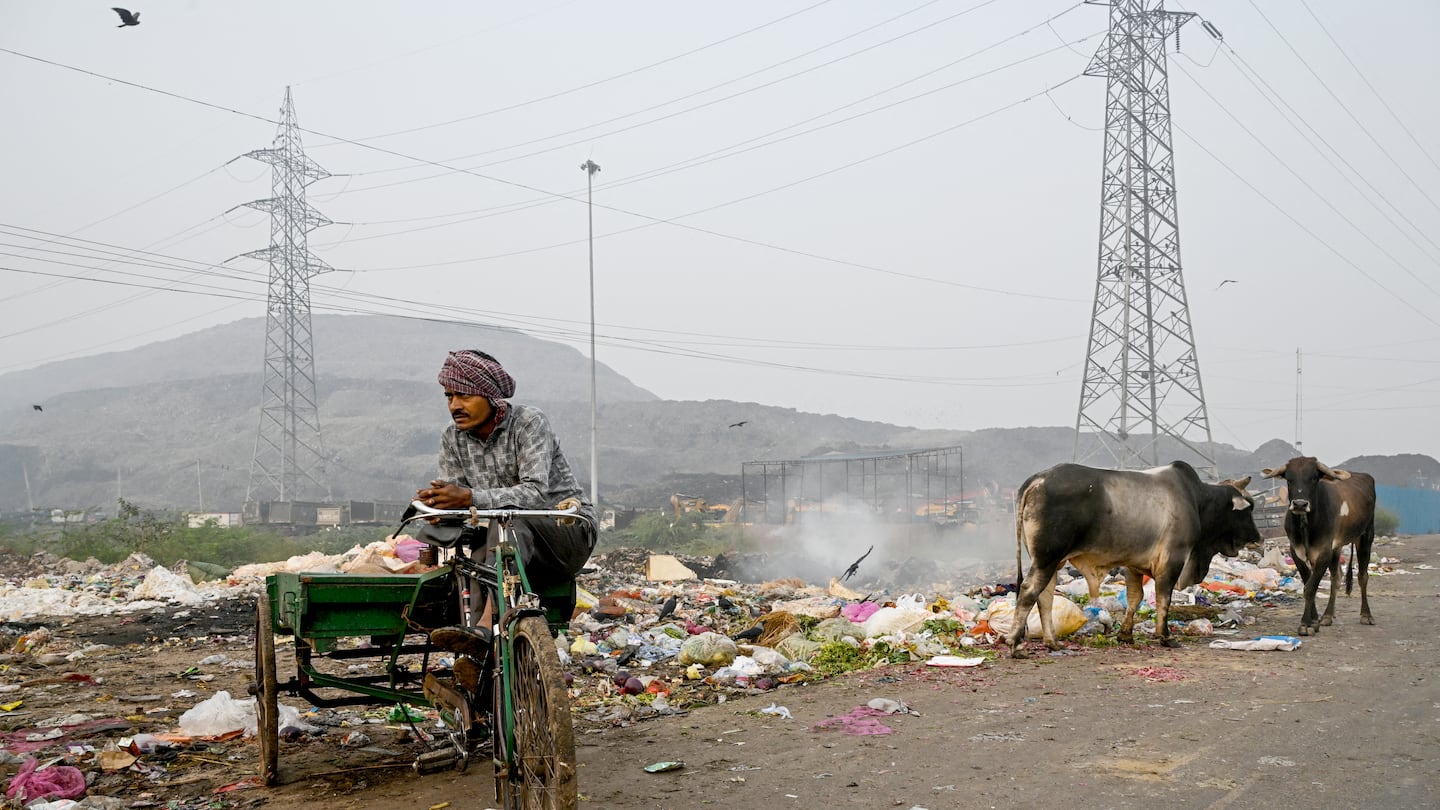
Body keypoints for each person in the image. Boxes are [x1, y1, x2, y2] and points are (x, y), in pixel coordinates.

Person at [417, 349, 597, 657]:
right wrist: (441, 509)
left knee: (512, 522)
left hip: (564, 535)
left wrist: (468, 498)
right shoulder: (453, 438)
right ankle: (474, 657)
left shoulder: (529, 423)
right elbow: (461, 506)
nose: (455, 406)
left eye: (464, 396)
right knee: (474, 554)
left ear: (491, 396)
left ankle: (486, 629)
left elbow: (535, 495)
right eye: (449, 396)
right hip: (503, 540)